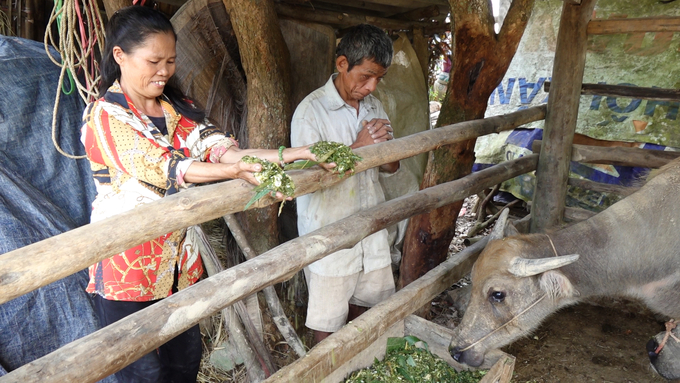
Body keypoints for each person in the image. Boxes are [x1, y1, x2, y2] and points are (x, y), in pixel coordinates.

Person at [81, 6, 318, 382]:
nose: (164, 71)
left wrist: (296, 154)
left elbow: (225, 150)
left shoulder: (176, 110)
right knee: (141, 372)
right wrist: (235, 172)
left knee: (184, 363)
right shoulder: (105, 116)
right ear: (120, 56)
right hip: (128, 268)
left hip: (180, 264)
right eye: (154, 61)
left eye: (171, 61)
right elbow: (168, 166)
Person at [290, 24, 399, 345]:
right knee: (327, 322)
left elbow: (392, 166)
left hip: (372, 231)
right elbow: (306, 180)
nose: (372, 86)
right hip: (330, 237)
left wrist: (386, 150)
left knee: (368, 311)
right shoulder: (311, 112)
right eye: (365, 76)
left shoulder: (374, 107)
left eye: (379, 78)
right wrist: (359, 147)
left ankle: (361, 369)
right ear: (341, 64)